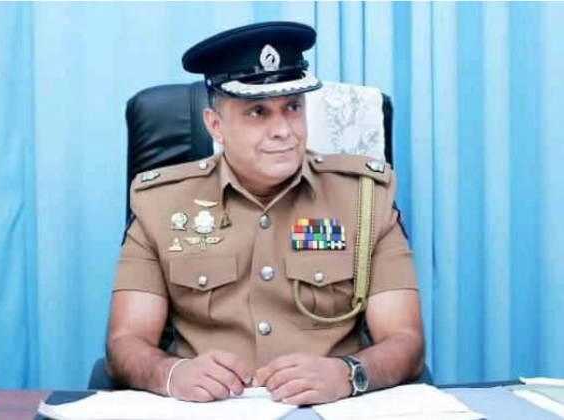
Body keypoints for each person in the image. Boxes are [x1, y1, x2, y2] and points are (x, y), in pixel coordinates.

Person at [105, 21, 424, 405]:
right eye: (258, 112)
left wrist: (349, 373)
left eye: (292, 108)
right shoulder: (160, 203)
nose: (283, 130)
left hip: (330, 408)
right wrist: (171, 374)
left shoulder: (364, 198)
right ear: (215, 126)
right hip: (208, 411)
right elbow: (125, 342)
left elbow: (406, 341)